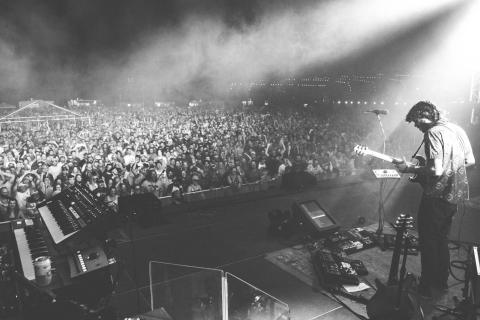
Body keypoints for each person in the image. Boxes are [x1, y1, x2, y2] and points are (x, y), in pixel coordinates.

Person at [395, 101, 475, 297]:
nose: (416, 126)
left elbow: (435, 170)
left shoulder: (432, 133)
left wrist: (410, 168)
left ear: (426, 116)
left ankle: (428, 287)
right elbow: (470, 162)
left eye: (416, 121)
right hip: (454, 196)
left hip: (435, 197)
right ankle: (440, 283)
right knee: (441, 240)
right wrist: (452, 175)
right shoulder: (456, 129)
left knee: (429, 242)